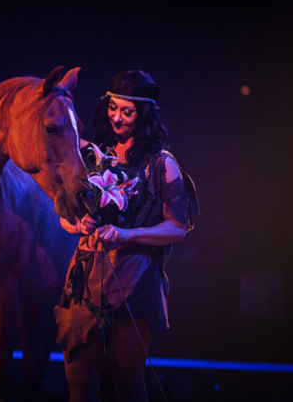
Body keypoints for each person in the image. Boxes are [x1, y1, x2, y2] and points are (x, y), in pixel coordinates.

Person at [54, 70, 199, 402]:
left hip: (135, 277)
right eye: (113, 108)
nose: (117, 117)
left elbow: (177, 227)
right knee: (78, 378)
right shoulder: (89, 156)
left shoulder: (161, 164)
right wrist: (77, 226)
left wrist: (127, 233)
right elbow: (63, 215)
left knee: (127, 380)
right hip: (86, 274)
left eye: (127, 111)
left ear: (143, 113)